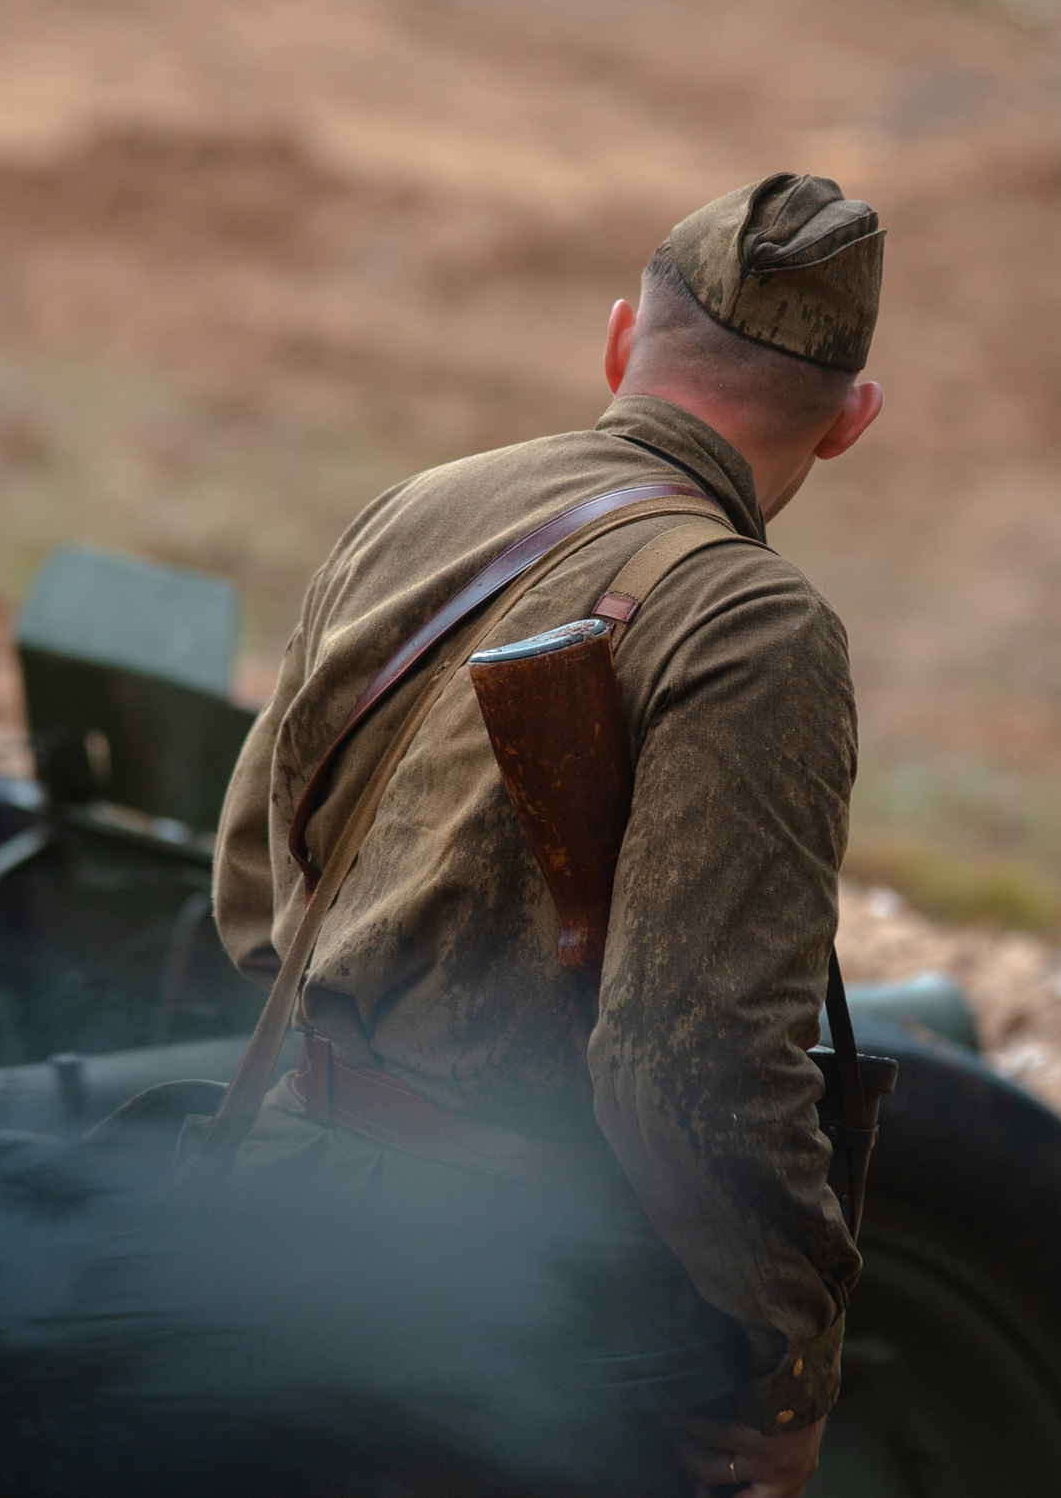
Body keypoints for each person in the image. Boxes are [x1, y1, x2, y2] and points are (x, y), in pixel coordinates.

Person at [212, 174, 886, 1496]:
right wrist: (788, 1361)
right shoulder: (752, 626)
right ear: (852, 421)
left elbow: (251, 885)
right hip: (512, 1322)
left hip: (275, 1210)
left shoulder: (417, 507)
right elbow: (688, 1064)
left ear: (623, 338)